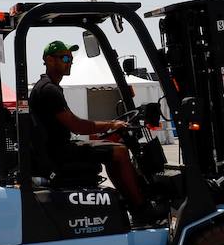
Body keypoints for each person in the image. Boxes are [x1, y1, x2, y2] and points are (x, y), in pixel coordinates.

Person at [29, 40, 153, 222]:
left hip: (57, 148)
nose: (69, 61)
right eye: (64, 58)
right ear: (49, 60)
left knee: (113, 146)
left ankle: (128, 200)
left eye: (70, 58)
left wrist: (110, 128)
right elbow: (77, 126)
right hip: (59, 152)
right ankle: (141, 208)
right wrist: (111, 124)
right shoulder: (48, 90)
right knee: (120, 151)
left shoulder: (47, 87)